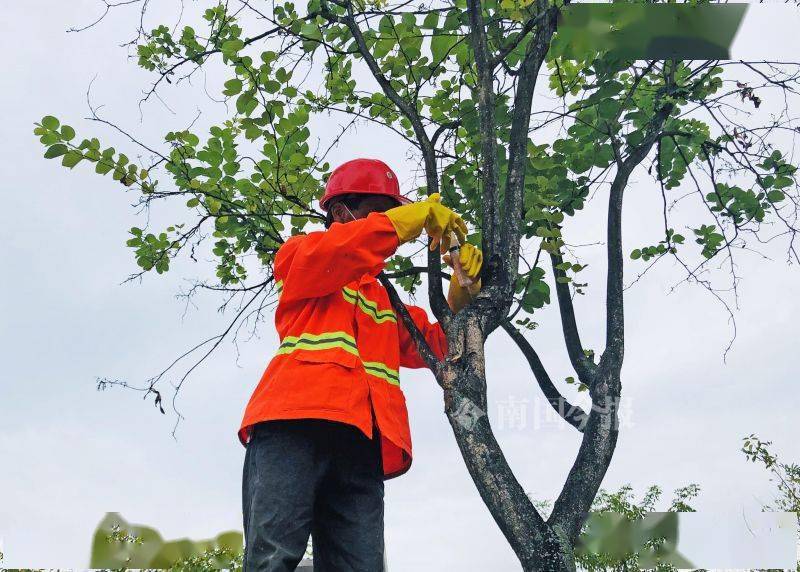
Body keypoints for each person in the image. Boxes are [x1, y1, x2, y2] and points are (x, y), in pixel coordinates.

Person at [238, 158, 483, 571]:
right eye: (382, 213)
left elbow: (443, 347)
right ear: (340, 213)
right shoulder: (302, 254)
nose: (391, 225)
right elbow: (342, 251)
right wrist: (406, 221)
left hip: (362, 440)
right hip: (293, 424)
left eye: (394, 215)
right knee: (273, 559)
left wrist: (464, 288)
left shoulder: (387, 303)